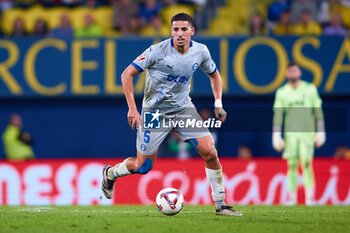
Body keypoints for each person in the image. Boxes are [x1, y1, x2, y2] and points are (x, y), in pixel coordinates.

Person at [102, 13, 242, 216]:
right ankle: (110, 173)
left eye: (184, 29)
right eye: (175, 29)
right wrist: (132, 108)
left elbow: (215, 75)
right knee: (143, 167)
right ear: (171, 31)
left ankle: (221, 204)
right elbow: (126, 75)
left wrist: (218, 103)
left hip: (183, 109)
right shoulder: (157, 51)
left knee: (210, 151)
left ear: (192, 31)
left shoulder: (201, 51)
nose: (180, 34)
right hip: (155, 113)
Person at [272, 61, 326, 205]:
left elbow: (317, 111)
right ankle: (292, 198)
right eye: (290, 71)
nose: (293, 74)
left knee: (307, 163)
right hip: (291, 134)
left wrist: (321, 131)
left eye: (295, 71)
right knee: (292, 165)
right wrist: (276, 135)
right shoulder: (282, 92)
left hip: (307, 134)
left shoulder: (310, 89)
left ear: (299, 72)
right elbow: (278, 114)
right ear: (286, 73)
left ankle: (310, 198)